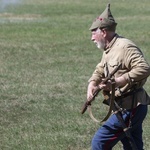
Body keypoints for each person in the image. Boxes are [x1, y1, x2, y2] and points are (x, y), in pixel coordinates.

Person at [87, 3, 150, 150]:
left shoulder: (125, 47)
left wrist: (119, 81)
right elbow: (101, 68)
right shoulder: (109, 48)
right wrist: (92, 83)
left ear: (103, 32)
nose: (92, 38)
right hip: (126, 107)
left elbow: (144, 68)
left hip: (131, 107)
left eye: (93, 33)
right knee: (133, 147)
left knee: (99, 143)